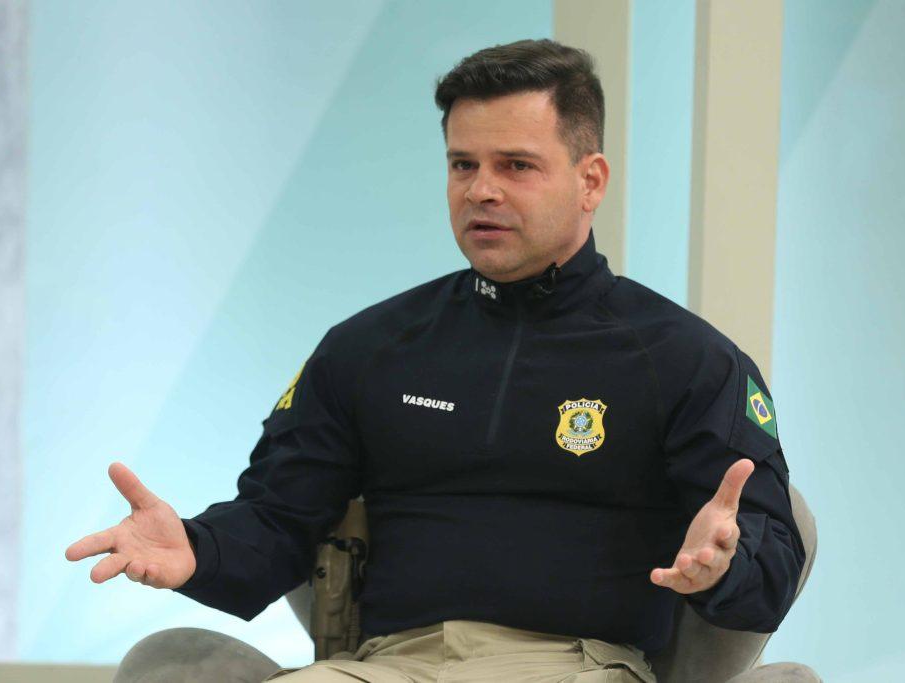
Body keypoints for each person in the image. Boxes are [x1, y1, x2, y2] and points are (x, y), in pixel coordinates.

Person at [66, 39, 808, 682]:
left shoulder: (686, 360)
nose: (481, 190)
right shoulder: (369, 347)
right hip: (383, 664)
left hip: (575, 665)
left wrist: (727, 564)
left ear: (591, 180)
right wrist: (195, 547)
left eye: (516, 165)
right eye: (462, 164)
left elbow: (770, 559)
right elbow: (276, 521)